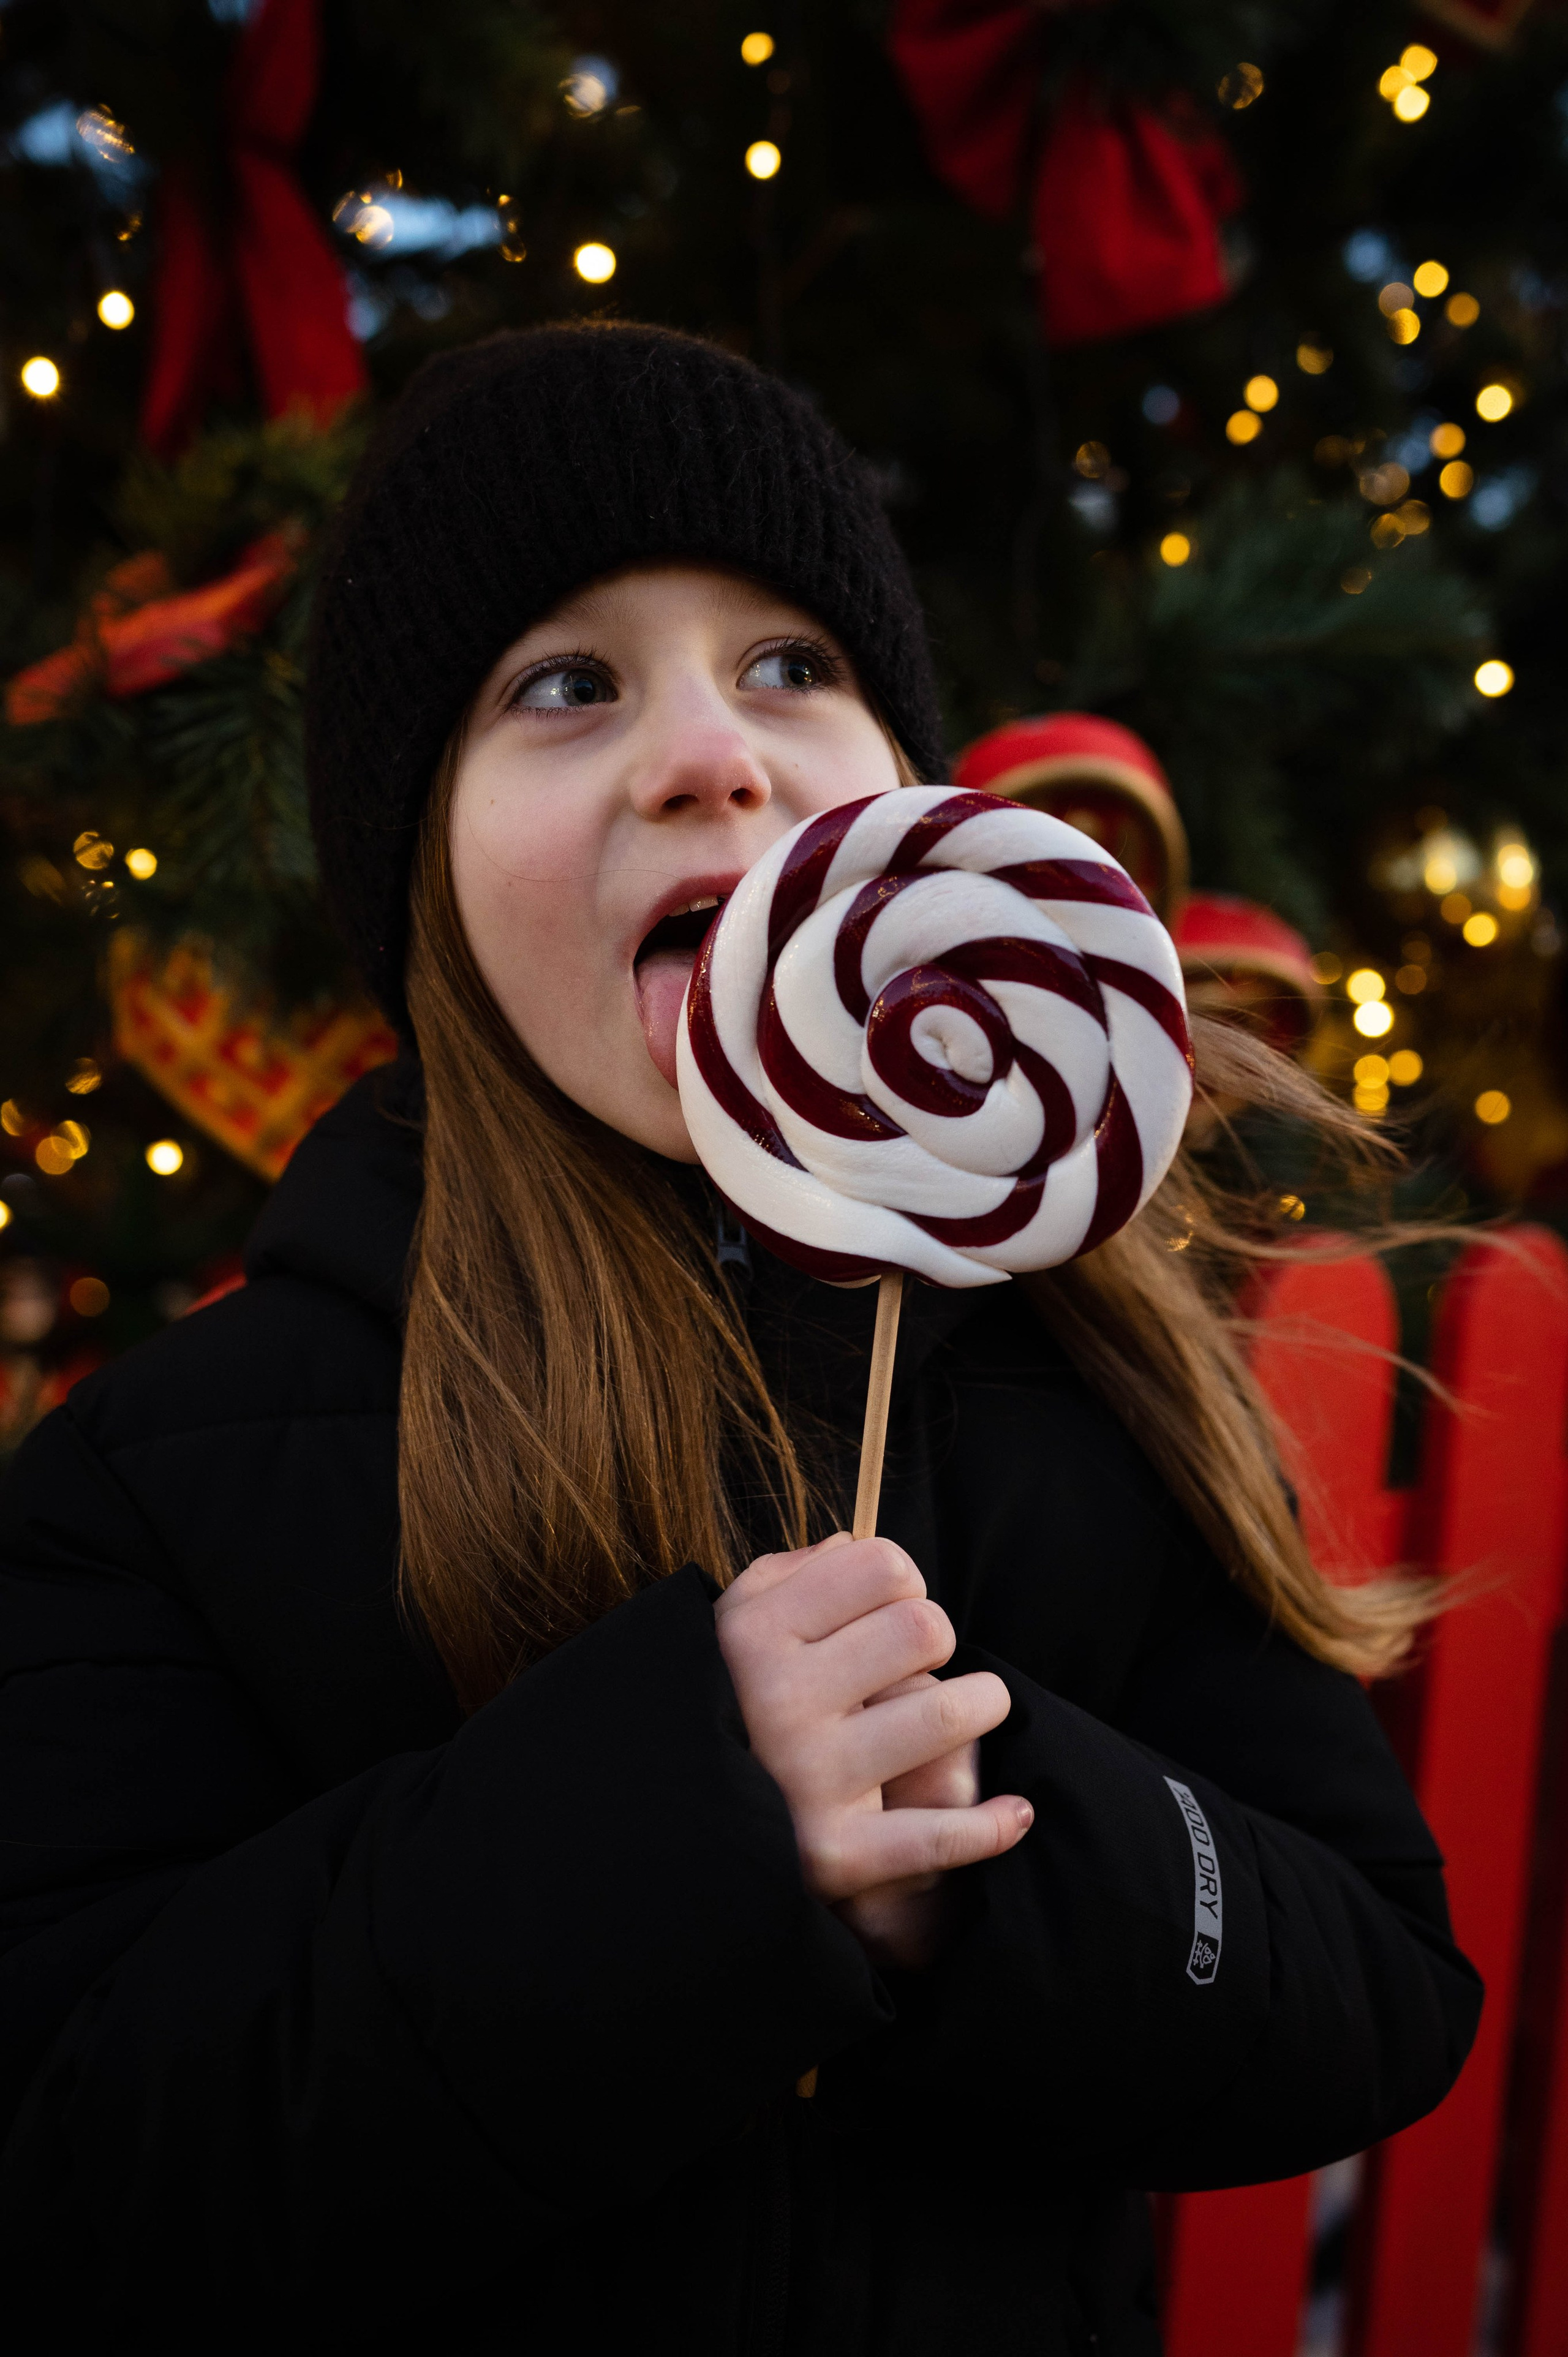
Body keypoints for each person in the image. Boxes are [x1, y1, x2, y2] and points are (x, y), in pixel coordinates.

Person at [0, 323, 1479, 2355]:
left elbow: (1373, 1990)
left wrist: (980, 1837)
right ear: (419, 874)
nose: (710, 750)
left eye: (794, 664)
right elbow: (79, 2174)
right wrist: (677, 1831)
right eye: (562, 685)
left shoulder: (1092, 1384)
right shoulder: (167, 1482)